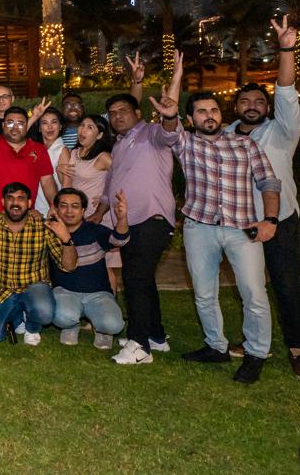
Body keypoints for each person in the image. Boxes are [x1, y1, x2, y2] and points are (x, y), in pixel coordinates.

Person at [161, 57, 281, 384]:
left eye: (213, 110)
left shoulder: (245, 144)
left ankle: (256, 353)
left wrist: (270, 219)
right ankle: (216, 346)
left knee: (253, 293)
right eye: (201, 112)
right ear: (191, 119)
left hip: (243, 229)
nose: (209, 115)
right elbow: (169, 123)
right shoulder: (185, 144)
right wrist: (176, 78)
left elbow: (269, 182)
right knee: (204, 293)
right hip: (199, 228)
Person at [228, 16, 300, 381]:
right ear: (236, 107)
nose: (252, 105)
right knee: (249, 288)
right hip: (242, 223)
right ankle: (254, 342)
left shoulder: (282, 131)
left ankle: (298, 351)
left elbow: (286, 89)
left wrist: (286, 48)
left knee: (286, 285)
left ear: (267, 107)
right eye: (245, 101)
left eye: (258, 101)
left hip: (280, 221)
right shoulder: (225, 135)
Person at [106, 52, 180, 365]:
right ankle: (155, 336)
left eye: (123, 111)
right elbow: (112, 182)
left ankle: (139, 346)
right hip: (127, 223)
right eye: (112, 113)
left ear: (138, 113)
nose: (117, 116)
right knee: (143, 279)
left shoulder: (151, 134)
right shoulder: (120, 143)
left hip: (151, 219)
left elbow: (169, 131)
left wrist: (170, 113)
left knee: (135, 280)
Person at [0, 182, 77, 346]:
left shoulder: (43, 226)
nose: (15, 203)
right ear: (3, 202)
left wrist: (66, 240)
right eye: (10, 198)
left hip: (34, 286)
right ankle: (17, 317)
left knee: (44, 312)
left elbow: (69, 266)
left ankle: (32, 326)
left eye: (21, 198)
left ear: (29, 203)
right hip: (1, 288)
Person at [50, 188, 129, 350]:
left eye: (75, 206)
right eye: (63, 206)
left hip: (98, 294)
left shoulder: (94, 230)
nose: (69, 211)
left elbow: (120, 240)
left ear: (83, 210)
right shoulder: (49, 232)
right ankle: (71, 326)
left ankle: (102, 330)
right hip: (65, 292)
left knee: (113, 325)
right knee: (62, 316)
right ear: (56, 209)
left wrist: (122, 218)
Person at [55, 115, 117, 288]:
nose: (83, 130)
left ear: (99, 135)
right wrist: (59, 169)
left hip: (99, 216)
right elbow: (68, 183)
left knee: (105, 266)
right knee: (84, 262)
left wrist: (106, 198)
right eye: (82, 125)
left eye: (90, 127)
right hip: (78, 216)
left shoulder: (104, 157)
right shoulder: (74, 153)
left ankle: (109, 300)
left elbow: (121, 180)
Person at [0, 96, 56, 214]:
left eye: (20, 124)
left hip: (24, 216)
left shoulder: (39, 149)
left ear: (27, 126)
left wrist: (54, 205)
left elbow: (47, 182)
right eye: (10, 123)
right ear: (3, 125)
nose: (15, 127)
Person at [31, 107, 67, 215]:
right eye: (45, 123)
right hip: (35, 206)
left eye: (54, 122)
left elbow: (66, 185)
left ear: (60, 126)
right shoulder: (36, 148)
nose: (50, 127)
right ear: (39, 128)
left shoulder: (62, 150)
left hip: (52, 208)